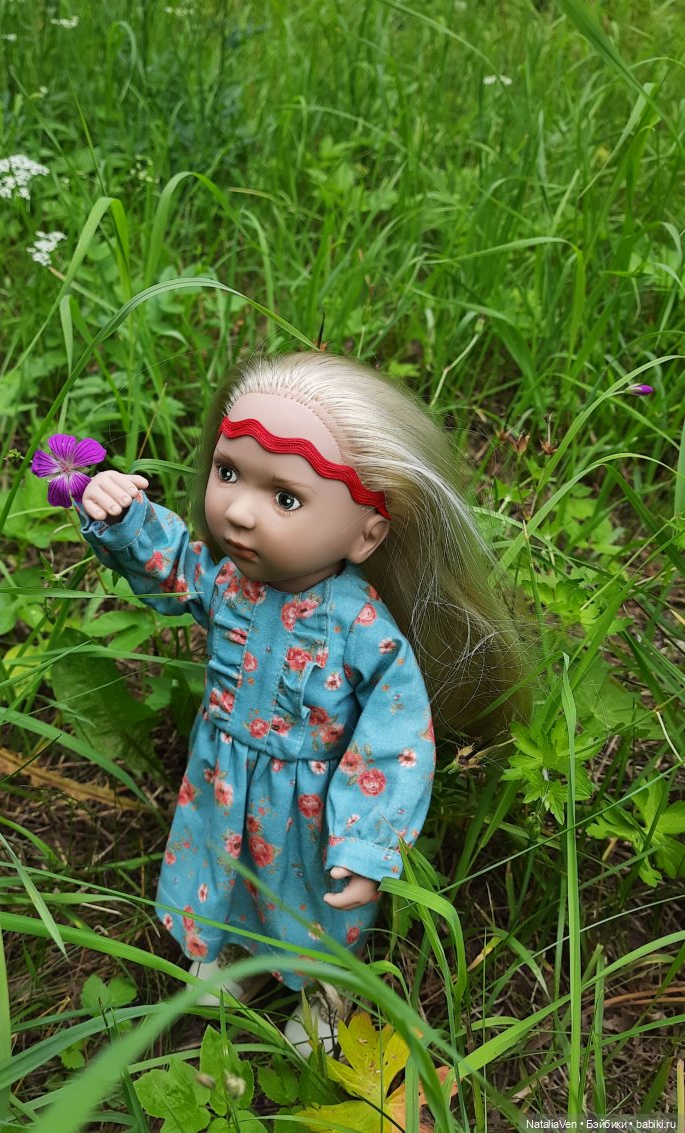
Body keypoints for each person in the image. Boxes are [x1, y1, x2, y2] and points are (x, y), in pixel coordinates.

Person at [75, 351, 528, 1051]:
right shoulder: (227, 582)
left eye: (286, 498)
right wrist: (125, 516)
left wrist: (367, 840)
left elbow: (396, 732)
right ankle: (237, 950)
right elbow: (175, 568)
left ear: (367, 532)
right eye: (228, 473)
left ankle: (325, 987)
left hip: (315, 803)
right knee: (231, 874)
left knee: (317, 899)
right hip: (227, 778)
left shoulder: (360, 626)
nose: (239, 511)